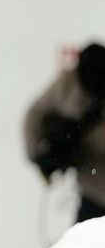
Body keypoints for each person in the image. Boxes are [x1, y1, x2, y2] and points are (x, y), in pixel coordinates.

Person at [26, 43, 105, 223]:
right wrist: (40, 158)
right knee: (83, 247)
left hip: (94, 185)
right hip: (92, 194)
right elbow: (35, 116)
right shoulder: (68, 81)